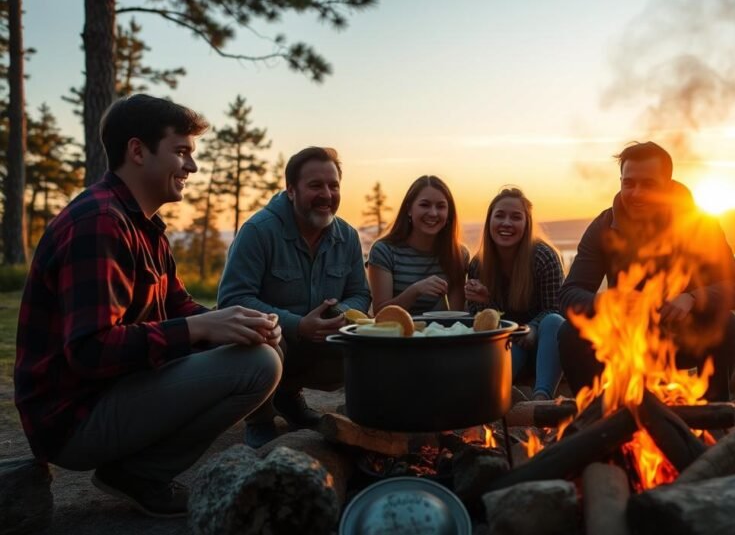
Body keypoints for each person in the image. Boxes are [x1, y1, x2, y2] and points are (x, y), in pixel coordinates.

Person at [14, 94, 283, 518]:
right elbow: (90, 351)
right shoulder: (99, 223)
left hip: (114, 392)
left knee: (258, 348)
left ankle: (135, 470)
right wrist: (201, 330)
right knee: (258, 366)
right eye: (181, 152)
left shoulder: (144, 226)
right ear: (137, 151)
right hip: (73, 419)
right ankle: (141, 474)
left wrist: (236, 322)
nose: (191, 167)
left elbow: (178, 307)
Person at [558, 141, 735, 402]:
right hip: (623, 340)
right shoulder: (604, 227)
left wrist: (691, 299)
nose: (636, 193)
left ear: (668, 187)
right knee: (569, 333)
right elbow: (568, 295)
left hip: (682, 338)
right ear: (621, 181)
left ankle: (713, 415)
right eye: (629, 183)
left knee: (727, 325)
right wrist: (606, 302)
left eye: (648, 184)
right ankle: (598, 417)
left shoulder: (700, 225)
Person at [218, 146, 372, 448]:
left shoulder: (348, 237)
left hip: (323, 342)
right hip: (274, 342)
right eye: (315, 185)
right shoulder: (258, 231)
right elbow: (232, 299)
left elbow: (360, 293)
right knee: (261, 334)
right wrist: (298, 324)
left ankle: (288, 398)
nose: (327, 194)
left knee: (369, 342)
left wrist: (339, 314)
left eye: (333, 185)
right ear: (291, 190)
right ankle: (259, 418)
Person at [466, 187, 566, 400]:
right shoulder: (478, 265)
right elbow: (480, 324)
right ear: (489, 221)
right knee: (506, 343)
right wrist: (486, 303)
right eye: (500, 215)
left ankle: (541, 399)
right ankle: (495, 397)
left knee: (554, 321)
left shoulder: (543, 257)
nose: (506, 223)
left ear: (527, 224)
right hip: (510, 344)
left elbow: (555, 308)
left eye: (516, 217)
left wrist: (533, 327)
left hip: (545, 343)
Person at [367, 175, 468, 315]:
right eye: (424, 205)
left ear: (449, 213)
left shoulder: (459, 254)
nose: (433, 213)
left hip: (441, 335)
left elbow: (456, 315)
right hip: (397, 335)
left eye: (441, 206)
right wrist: (415, 290)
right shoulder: (384, 251)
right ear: (409, 209)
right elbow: (380, 314)